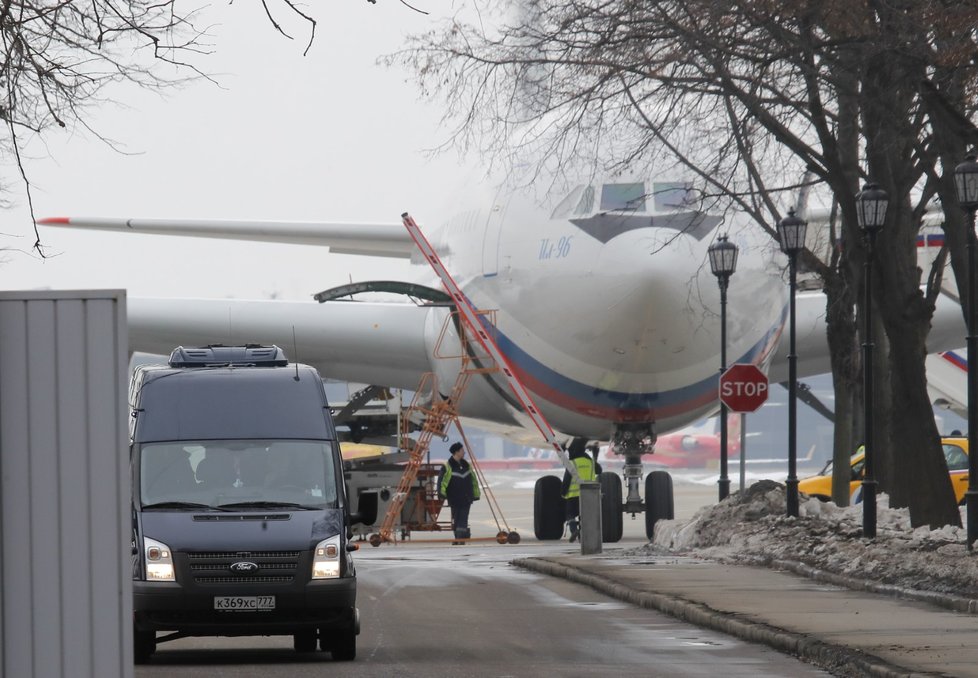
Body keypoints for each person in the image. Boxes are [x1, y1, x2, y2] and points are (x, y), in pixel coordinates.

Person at [437, 441, 480, 544]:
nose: (464, 452)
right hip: (454, 498)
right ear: (456, 452)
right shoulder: (447, 467)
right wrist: (441, 493)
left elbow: (473, 480)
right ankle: (459, 538)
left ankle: (460, 539)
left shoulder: (466, 466)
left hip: (466, 497)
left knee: (463, 518)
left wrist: (475, 494)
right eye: (462, 450)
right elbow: (441, 482)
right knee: (456, 519)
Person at [561, 437, 597, 543]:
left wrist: (563, 493)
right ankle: (584, 535)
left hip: (573, 495)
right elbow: (599, 470)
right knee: (584, 515)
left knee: (570, 515)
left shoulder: (572, 463)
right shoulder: (590, 463)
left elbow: (566, 480)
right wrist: (595, 455)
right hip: (588, 494)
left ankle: (574, 530)